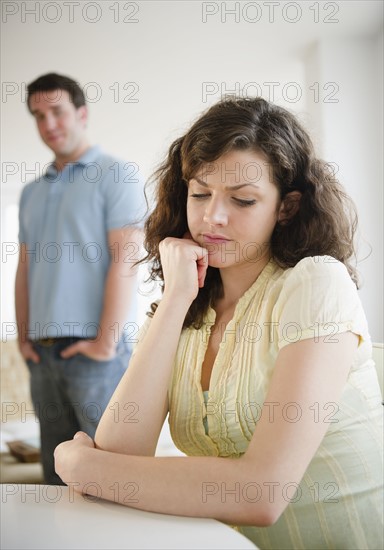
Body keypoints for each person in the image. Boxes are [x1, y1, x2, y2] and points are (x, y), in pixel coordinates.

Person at [54, 97, 383, 549]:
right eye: (200, 193)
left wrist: (81, 468)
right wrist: (174, 300)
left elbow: (261, 493)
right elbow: (121, 455)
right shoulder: (184, 305)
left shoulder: (315, 283)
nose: (213, 218)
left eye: (243, 200)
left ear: (285, 208)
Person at [15, 73, 146, 485]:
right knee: (56, 476)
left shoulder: (116, 174)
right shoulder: (32, 192)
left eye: (57, 111)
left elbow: (126, 259)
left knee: (108, 477)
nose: (48, 124)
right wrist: (22, 338)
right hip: (42, 353)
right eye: (39, 115)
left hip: (95, 352)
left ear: (82, 113)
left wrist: (105, 341)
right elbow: (25, 267)